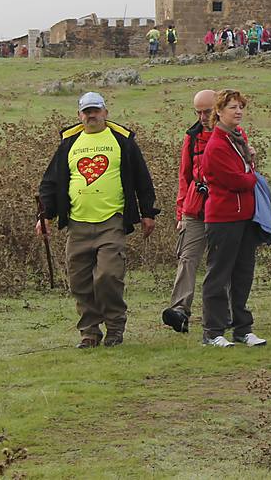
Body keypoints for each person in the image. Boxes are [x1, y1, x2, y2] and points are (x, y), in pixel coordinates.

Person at [36, 92, 158, 348]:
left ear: (105, 112)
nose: (91, 115)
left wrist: (148, 213)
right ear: (79, 115)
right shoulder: (69, 143)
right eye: (86, 112)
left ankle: (115, 326)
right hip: (77, 224)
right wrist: (45, 216)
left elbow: (142, 178)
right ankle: (89, 332)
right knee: (79, 282)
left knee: (108, 276)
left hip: (111, 221)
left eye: (96, 111)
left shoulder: (122, 141)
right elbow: (50, 181)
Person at [198, 89, 267, 347]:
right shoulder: (216, 145)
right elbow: (237, 180)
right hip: (223, 218)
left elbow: (248, 169)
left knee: (243, 273)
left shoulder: (239, 137)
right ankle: (213, 332)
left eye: (240, 107)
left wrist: (250, 166)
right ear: (219, 111)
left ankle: (242, 328)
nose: (238, 112)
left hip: (245, 216)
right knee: (218, 274)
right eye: (232, 107)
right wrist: (251, 176)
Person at [162, 89, 217, 334]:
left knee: (220, 263)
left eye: (207, 111)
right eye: (199, 112)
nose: (203, 117)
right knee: (187, 259)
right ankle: (179, 311)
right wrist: (181, 213)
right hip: (194, 210)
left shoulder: (233, 135)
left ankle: (218, 314)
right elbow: (184, 176)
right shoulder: (191, 137)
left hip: (223, 209)